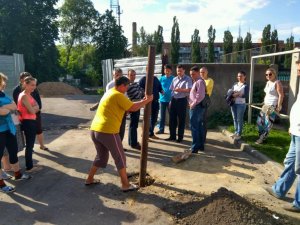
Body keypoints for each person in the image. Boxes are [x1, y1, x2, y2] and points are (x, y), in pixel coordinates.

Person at [86, 76, 153, 192]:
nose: (127, 89)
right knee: (120, 157)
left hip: (95, 129)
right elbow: (133, 107)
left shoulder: (109, 93)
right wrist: (147, 100)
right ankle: (125, 184)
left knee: (101, 157)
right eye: (126, 87)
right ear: (122, 85)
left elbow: (117, 107)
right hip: (108, 131)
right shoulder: (118, 95)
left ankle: (89, 179)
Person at [264, 60, 300, 213]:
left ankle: (299, 203)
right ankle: (279, 189)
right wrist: (292, 126)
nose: (297, 70)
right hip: (296, 131)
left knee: (299, 167)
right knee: (290, 162)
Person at [0, 73, 31, 194]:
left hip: (9, 129)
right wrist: (7, 108)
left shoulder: (2, 94)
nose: (4, 83)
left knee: (13, 151)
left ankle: (17, 174)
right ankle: (1, 184)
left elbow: (14, 106)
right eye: (3, 81)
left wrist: (5, 107)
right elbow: (2, 112)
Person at [13, 72, 49, 150]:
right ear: (21, 80)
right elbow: (18, 105)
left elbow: (39, 104)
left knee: (39, 129)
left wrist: (34, 109)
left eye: (29, 78)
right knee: (27, 132)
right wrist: (32, 108)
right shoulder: (17, 90)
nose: (28, 80)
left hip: (36, 114)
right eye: (26, 78)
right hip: (25, 116)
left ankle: (42, 145)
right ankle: (29, 147)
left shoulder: (34, 89)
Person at [17, 76, 41, 172]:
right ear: (25, 84)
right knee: (30, 145)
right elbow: (32, 111)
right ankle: (29, 167)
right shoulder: (24, 96)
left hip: (30, 121)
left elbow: (38, 106)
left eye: (35, 85)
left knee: (30, 145)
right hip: (28, 122)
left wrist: (34, 108)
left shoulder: (28, 94)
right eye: (32, 85)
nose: (34, 87)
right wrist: (34, 108)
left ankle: (29, 165)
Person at [256, 67, 284, 144]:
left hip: (272, 106)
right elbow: (267, 94)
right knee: (259, 122)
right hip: (265, 104)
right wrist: (263, 101)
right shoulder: (268, 82)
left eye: (270, 74)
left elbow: (281, 95)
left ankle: (262, 138)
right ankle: (261, 136)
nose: (268, 76)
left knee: (268, 123)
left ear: (274, 74)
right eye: (266, 74)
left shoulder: (277, 83)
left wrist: (278, 106)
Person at [167, 65, 192, 143]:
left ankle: (180, 138)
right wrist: (171, 100)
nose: (179, 72)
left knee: (181, 119)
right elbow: (172, 90)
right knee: (172, 119)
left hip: (182, 100)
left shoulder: (187, 79)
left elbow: (189, 90)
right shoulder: (174, 79)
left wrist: (180, 90)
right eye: (178, 71)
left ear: (184, 71)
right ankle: (172, 136)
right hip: (174, 100)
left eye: (180, 71)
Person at [139, 67, 163, 139]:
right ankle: (145, 134)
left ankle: (150, 133)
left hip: (155, 102)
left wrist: (162, 91)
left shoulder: (155, 79)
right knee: (147, 119)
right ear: (146, 70)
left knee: (154, 119)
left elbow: (159, 87)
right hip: (148, 102)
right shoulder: (143, 79)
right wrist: (143, 94)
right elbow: (139, 89)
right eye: (149, 70)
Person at [188, 66, 206, 153]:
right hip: (196, 107)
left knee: (194, 127)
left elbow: (200, 96)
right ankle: (200, 146)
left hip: (196, 107)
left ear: (198, 73)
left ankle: (195, 147)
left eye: (193, 74)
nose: (192, 76)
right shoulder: (196, 81)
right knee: (198, 127)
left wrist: (193, 104)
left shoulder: (199, 82)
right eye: (191, 74)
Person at [126, 69, 144, 150]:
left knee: (133, 125)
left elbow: (142, 91)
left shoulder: (135, 84)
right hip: (133, 106)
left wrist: (140, 93)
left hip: (137, 106)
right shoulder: (128, 85)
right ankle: (134, 143)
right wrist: (140, 94)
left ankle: (131, 142)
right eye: (131, 75)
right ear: (128, 75)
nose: (133, 76)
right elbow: (137, 94)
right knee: (133, 125)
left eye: (134, 75)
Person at [229, 71, 249, 140]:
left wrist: (237, 94)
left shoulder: (245, 86)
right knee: (235, 118)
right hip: (233, 103)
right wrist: (234, 94)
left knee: (239, 119)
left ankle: (239, 134)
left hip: (241, 104)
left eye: (241, 76)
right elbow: (231, 92)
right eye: (238, 76)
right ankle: (236, 132)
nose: (239, 77)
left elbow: (246, 95)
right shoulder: (235, 84)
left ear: (244, 76)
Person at [156, 64, 174, 135]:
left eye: (168, 71)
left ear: (171, 71)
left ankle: (172, 131)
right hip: (162, 100)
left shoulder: (173, 78)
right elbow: (158, 86)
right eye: (166, 71)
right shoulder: (161, 78)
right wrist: (161, 91)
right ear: (164, 71)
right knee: (162, 116)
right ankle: (161, 130)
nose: (167, 72)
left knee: (172, 116)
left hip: (171, 100)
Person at [200, 67, 214, 142]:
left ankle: (203, 138)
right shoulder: (199, 80)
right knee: (198, 120)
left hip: (204, 100)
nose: (202, 74)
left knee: (203, 120)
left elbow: (205, 89)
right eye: (201, 72)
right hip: (198, 100)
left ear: (207, 72)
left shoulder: (210, 80)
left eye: (203, 72)